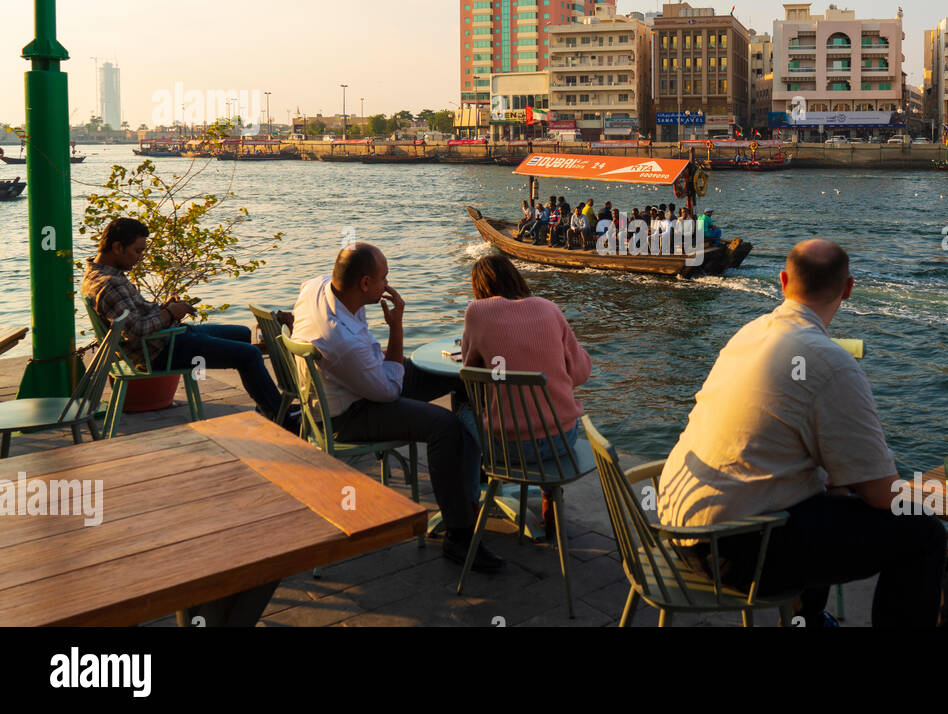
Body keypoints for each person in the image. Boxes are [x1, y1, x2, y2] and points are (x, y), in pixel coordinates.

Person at [657, 239, 947, 627]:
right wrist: (940, 495)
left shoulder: (750, 332)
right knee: (922, 533)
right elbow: (881, 495)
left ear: (783, 281)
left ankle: (807, 619)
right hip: (734, 552)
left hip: (676, 526)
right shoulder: (832, 363)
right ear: (848, 288)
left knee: (826, 489)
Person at [290, 242, 503, 571]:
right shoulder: (341, 341)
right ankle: (458, 537)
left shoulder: (316, 287)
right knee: (444, 427)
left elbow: (383, 374)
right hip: (351, 413)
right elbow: (390, 391)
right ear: (364, 283)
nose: (388, 285)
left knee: (462, 375)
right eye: (383, 279)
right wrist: (396, 325)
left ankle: (471, 484)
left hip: (360, 381)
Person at [81, 216, 291, 431]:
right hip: (161, 351)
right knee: (249, 355)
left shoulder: (98, 275)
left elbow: (135, 317)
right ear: (117, 247)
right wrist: (170, 313)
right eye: (138, 251)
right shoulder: (109, 284)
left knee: (241, 333)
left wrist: (164, 309)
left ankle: (269, 407)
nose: (141, 257)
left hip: (167, 338)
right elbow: (136, 331)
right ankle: (284, 419)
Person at [461, 255, 592, 534]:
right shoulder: (549, 309)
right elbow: (580, 373)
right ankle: (550, 497)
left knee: (461, 412)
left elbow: (470, 372)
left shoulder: (476, 312)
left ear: (479, 287)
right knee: (548, 416)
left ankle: (470, 499)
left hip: (505, 450)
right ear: (516, 277)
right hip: (559, 444)